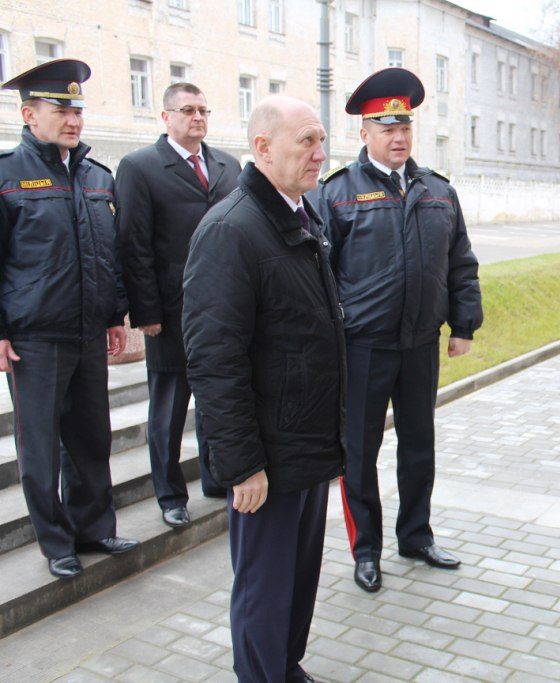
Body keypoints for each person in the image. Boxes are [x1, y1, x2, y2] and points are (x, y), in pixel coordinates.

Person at [182, 95, 345, 683]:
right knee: (263, 587)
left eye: (321, 141)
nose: (319, 154)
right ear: (262, 147)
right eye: (306, 141)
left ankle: (284, 667)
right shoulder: (232, 229)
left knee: (298, 580)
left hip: (306, 443)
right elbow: (214, 359)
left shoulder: (302, 214)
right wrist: (242, 463)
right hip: (266, 457)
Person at [315, 68, 483, 593]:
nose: (398, 137)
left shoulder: (438, 191)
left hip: (419, 344)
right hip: (362, 346)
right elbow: (318, 276)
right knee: (359, 452)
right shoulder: (337, 194)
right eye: (386, 128)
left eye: (404, 127)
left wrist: (464, 324)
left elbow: (461, 261)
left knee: (419, 446)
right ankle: (366, 551)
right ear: (364, 133)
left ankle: (416, 536)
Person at [0, 59, 140, 580]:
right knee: (39, 445)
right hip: (33, 337)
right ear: (29, 113)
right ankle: (56, 542)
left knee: (90, 437)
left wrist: (113, 315)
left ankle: (93, 526)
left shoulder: (95, 176)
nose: (73, 118)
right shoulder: (7, 175)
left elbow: (110, 253)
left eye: (77, 109)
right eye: (61, 108)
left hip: (86, 331)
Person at [117, 82, 241, 529]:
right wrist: (145, 312)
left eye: (204, 110)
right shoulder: (139, 167)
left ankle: (216, 477)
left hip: (223, 309)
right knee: (168, 412)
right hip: (169, 313)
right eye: (187, 110)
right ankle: (170, 494)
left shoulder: (229, 165)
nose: (198, 118)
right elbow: (134, 244)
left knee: (217, 399)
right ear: (165, 116)